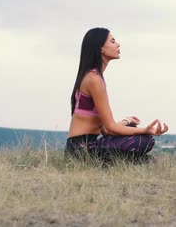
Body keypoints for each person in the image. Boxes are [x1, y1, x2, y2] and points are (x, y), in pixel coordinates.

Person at [66, 27, 169, 163]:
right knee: (145, 139)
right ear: (101, 48)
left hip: (83, 147)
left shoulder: (93, 76)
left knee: (134, 131)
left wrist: (127, 121)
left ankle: (137, 161)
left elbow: (105, 129)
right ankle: (138, 161)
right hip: (81, 151)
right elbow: (110, 129)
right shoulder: (94, 79)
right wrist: (146, 130)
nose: (118, 44)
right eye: (113, 41)